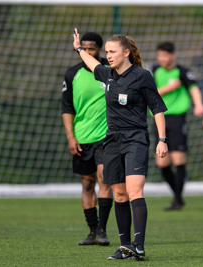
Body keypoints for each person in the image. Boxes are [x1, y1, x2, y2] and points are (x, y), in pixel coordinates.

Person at [72, 28, 168, 261]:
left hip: (135, 138)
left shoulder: (142, 75)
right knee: (120, 194)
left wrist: (162, 140)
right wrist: (78, 48)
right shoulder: (108, 74)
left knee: (135, 191)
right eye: (107, 52)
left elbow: (157, 109)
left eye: (113, 52)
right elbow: (92, 62)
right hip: (112, 139)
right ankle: (125, 247)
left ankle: (139, 245)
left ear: (126, 52)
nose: (109, 56)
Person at [61, 32, 113, 246]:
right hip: (82, 137)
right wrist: (71, 137)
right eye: (84, 48)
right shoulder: (72, 74)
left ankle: (102, 230)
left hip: (106, 136)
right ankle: (92, 231)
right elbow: (67, 108)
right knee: (87, 183)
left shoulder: (109, 72)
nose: (87, 52)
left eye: (92, 49)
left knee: (104, 179)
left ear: (99, 50)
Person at [151, 42, 203, 210]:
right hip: (159, 118)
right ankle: (178, 196)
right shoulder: (154, 70)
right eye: (159, 55)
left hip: (177, 119)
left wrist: (199, 104)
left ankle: (177, 199)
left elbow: (194, 88)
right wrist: (170, 87)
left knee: (178, 159)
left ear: (173, 56)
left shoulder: (182, 72)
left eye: (165, 56)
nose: (162, 59)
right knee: (162, 163)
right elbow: (150, 92)